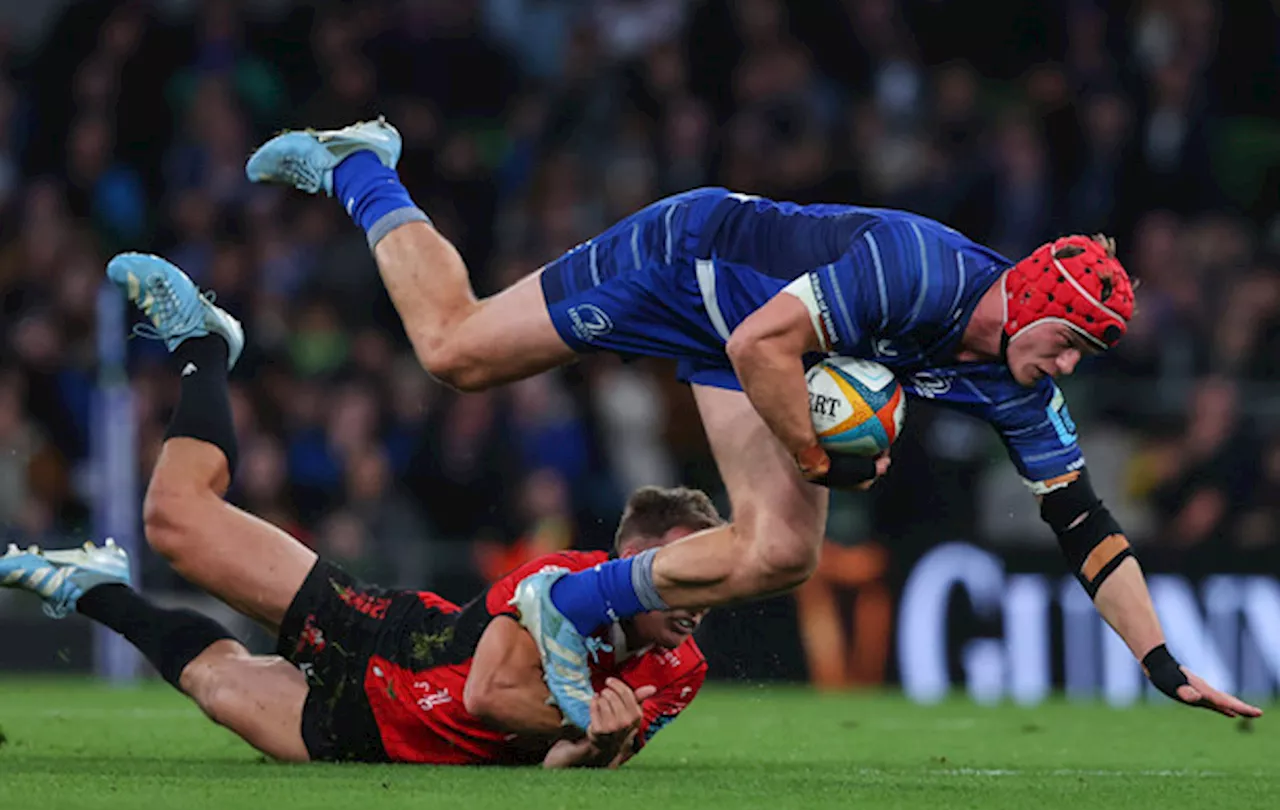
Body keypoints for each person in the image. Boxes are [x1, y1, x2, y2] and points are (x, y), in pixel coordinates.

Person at [237, 118, 1261, 730]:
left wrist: (1162, 665)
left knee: (781, 551)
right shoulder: (915, 270)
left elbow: (1082, 524)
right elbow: (760, 348)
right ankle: (362, 166)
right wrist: (823, 453)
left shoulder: (1018, 383)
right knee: (453, 352)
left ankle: (570, 600)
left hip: (757, 337)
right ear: (1032, 299)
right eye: (1071, 341)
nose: (1069, 368)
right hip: (688, 262)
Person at [0, 254, 714, 767]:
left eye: (706, 578)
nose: (697, 597)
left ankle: (94, 585)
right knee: (174, 520)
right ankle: (206, 344)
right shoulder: (566, 581)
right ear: (636, 562)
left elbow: (570, 763)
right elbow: (489, 694)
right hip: (369, 636)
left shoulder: (683, 669)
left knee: (215, 681)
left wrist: (599, 747)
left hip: (364, 738)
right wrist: (594, 726)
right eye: (685, 573)